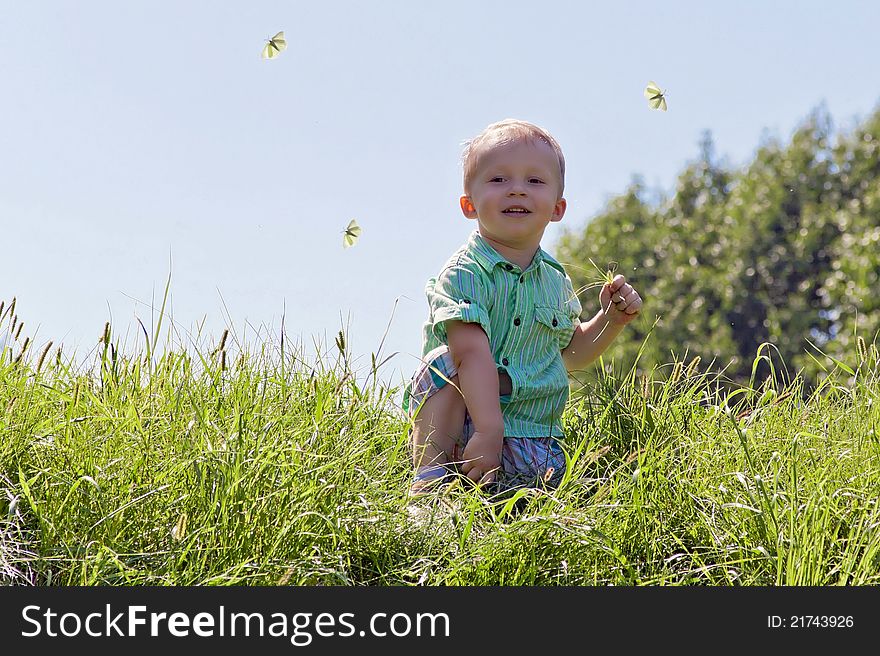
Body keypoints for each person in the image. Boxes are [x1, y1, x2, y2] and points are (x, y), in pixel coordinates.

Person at [404, 119, 642, 495]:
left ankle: (513, 492)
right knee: (445, 362)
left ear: (558, 208)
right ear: (469, 205)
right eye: (498, 180)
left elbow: (567, 355)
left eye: (534, 181)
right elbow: (470, 353)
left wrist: (611, 321)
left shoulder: (555, 280)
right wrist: (487, 430)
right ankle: (430, 486)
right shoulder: (464, 274)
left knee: (539, 504)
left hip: (533, 439)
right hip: (465, 431)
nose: (517, 190)